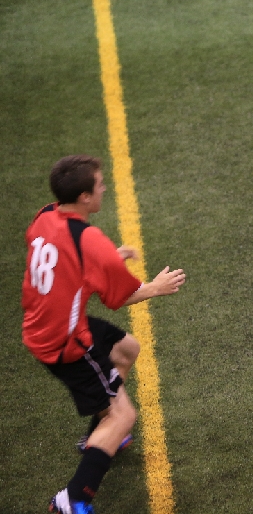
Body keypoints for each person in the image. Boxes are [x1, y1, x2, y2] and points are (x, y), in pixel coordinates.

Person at [21, 155, 186, 514]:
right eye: (99, 184)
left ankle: (96, 436)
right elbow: (120, 297)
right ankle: (73, 498)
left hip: (45, 323)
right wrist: (156, 287)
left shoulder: (44, 215)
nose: (104, 188)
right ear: (84, 197)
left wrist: (107, 257)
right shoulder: (89, 239)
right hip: (66, 343)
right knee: (124, 416)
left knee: (126, 350)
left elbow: (64, 257)